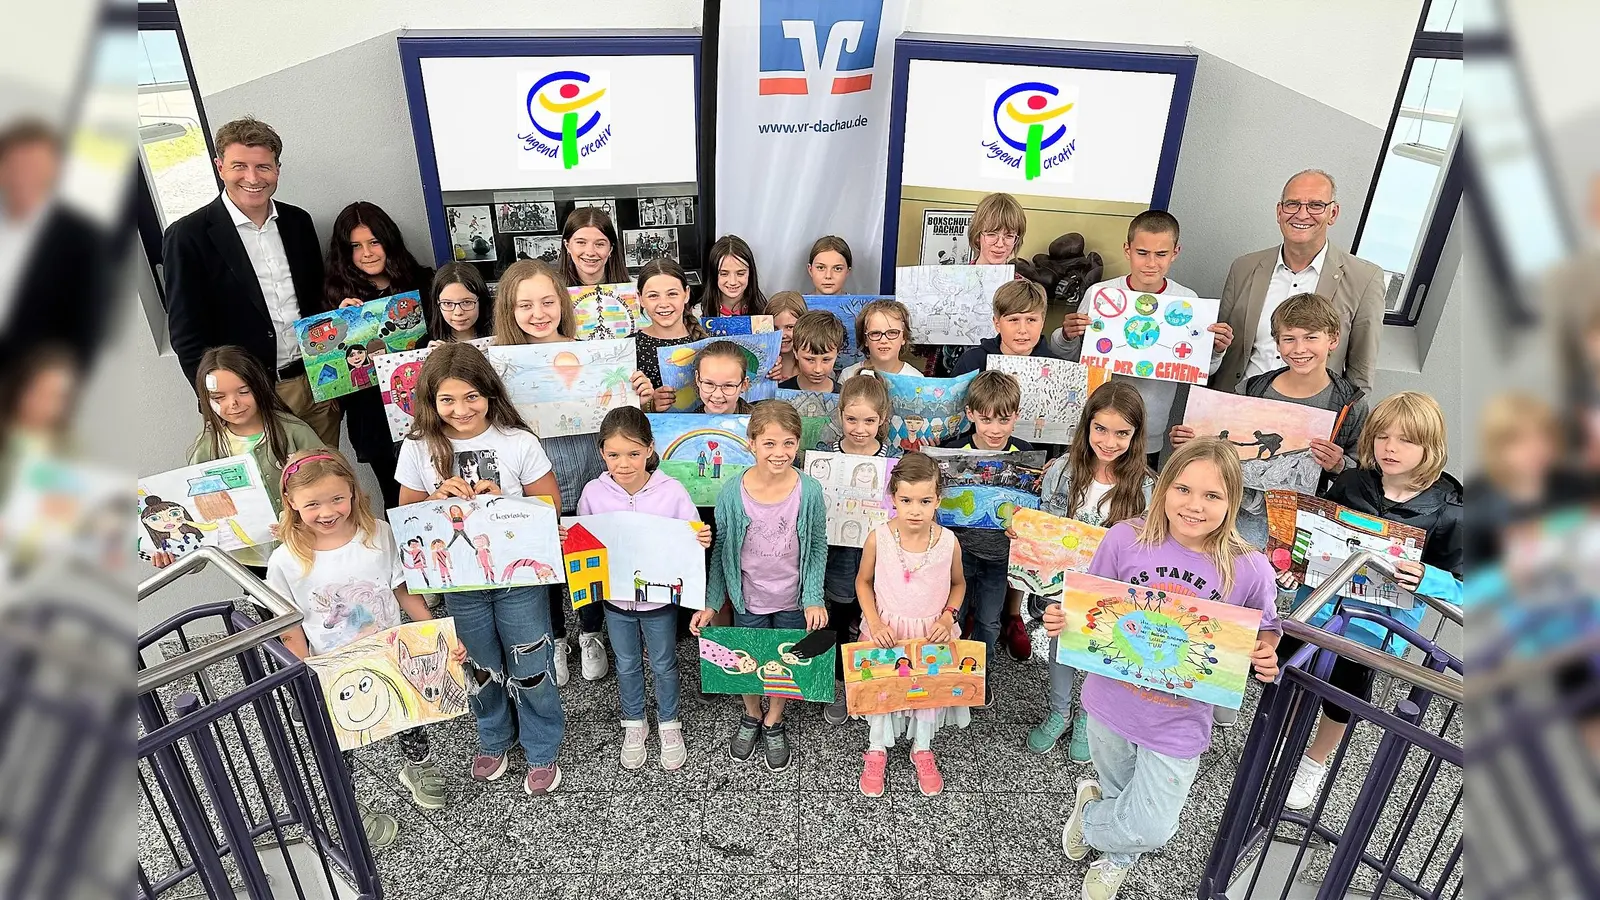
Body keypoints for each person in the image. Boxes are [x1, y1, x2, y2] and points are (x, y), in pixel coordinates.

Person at [1049, 438, 1284, 900]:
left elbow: (1267, 628)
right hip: (1110, 701)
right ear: (1162, 489)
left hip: (1180, 718)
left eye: (1212, 496)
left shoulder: (1250, 568)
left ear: (1233, 501)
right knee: (1120, 790)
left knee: (1154, 826)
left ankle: (1092, 823)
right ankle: (1115, 857)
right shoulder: (1124, 539)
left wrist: (1265, 651)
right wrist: (1062, 617)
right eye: (1183, 489)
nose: (1194, 506)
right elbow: (1088, 606)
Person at [393, 342, 568, 796]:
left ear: (490, 393)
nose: (461, 408)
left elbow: (550, 506)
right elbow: (407, 515)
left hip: (518, 579)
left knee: (530, 657)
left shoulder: (517, 441)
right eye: (447, 399)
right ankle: (494, 734)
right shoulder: (418, 448)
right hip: (459, 582)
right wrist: (435, 502)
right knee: (476, 663)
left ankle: (542, 742)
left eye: (472, 396)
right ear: (430, 402)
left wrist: (504, 502)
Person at [1276, 391, 1463, 811]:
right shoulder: (1353, 481)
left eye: (1406, 441)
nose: (1390, 448)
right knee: (1287, 674)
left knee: (1342, 697)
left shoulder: (1452, 510)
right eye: (1382, 437)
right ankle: (1281, 743)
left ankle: (1314, 762)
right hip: (1318, 606)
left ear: (1431, 448)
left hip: (1374, 629)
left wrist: (1429, 577)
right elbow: (1319, 537)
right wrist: (1295, 566)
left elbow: (1470, 585)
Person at [267, 449, 457, 847]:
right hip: (330, 668)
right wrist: (305, 672)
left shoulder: (378, 533)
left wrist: (435, 633)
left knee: (410, 713)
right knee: (340, 740)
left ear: (353, 491)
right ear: (291, 504)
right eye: (312, 503)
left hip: (390, 652)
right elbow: (289, 627)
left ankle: (418, 767)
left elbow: (400, 587)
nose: (326, 511)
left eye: (337, 497)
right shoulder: (285, 560)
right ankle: (348, 803)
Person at [162, 117, 341, 447]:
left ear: (277, 168)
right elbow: (187, 335)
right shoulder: (187, 236)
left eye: (263, 167)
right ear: (220, 167)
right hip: (251, 396)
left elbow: (317, 300)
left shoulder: (298, 222)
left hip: (315, 386)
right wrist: (217, 402)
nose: (252, 178)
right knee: (271, 494)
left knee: (324, 487)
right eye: (239, 166)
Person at [569, 407, 712, 770]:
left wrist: (703, 537)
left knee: (664, 662)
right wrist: (566, 539)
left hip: (660, 602)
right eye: (614, 454)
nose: (624, 463)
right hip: (616, 601)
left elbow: (691, 536)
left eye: (634, 453)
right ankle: (634, 722)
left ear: (650, 448)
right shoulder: (592, 493)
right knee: (627, 663)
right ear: (601, 452)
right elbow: (585, 541)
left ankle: (669, 722)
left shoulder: (672, 491)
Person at [691, 401, 829, 771]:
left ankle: (774, 719)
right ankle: (752, 713)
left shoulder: (809, 491)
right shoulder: (732, 492)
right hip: (747, 599)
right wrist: (711, 602)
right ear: (751, 443)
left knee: (783, 661)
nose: (779, 452)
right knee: (747, 661)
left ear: (798, 444)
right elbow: (721, 551)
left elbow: (817, 544)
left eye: (788, 443)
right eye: (769, 443)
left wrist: (813, 596)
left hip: (793, 599)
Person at [1170, 292, 1368, 551]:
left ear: (1333, 339)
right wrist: (1190, 443)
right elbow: (1218, 448)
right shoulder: (1253, 389)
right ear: (1276, 344)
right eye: (1289, 339)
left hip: (1302, 529)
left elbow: (1366, 474)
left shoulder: (1350, 404)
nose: (1299, 349)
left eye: (1311, 337)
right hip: (1234, 520)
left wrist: (1339, 465)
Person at [493, 258, 609, 683]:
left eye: (547, 302)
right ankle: (555, 637)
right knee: (543, 558)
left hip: (589, 465)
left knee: (586, 550)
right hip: (535, 475)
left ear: (563, 302)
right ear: (509, 309)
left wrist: (632, 389)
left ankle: (591, 632)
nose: (538, 314)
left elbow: (615, 407)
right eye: (525, 305)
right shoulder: (499, 364)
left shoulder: (591, 354)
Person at [1024, 382, 1154, 759]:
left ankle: (1087, 714)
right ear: (1087, 426)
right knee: (1061, 646)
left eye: (1122, 433)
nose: (1109, 441)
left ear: (1136, 434)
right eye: (1101, 429)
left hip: (1112, 591)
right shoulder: (1063, 470)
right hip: (1062, 585)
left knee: (1100, 653)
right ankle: (1060, 711)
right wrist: (1028, 534)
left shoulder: (1146, 486)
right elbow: (1046, 524)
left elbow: (1146, 550)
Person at [1051, 210, 1226, 463]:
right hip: (1095, 427)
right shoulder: (1100, 294)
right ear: (1127, 250)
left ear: (1175, 253)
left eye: (1161, 254)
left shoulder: (1189, 302)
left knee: (1137, 500)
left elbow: (1202, 370)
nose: (1151, 263)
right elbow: (1070, 358)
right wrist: (1066, 336)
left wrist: (1216, 349)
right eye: (1142, 253)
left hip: (1148, 433)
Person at [855, 452, 968, 796]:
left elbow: (959, 583)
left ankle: (922, 746)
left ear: (938, 499)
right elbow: (863, 581)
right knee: (884, 691)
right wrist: (874, 622)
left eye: (924, 501)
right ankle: (876, 748)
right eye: (906, 500)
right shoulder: (879, 537)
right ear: (893, 498)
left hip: (932, 632)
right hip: (887, 629)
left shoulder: (948, 542)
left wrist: (949, 616)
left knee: (926, 691)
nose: (915, 510)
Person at [155, 346, 325, 572]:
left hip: (307, 549)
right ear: (205, 399)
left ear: (260, 386)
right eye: (218, 397)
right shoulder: (206, 449)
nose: (233, 403)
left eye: (243, 391)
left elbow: (330, 485)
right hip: (249, 564)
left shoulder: (295, 432)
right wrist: (175, 556)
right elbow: (196, 519)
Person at [1215, 169, 1385, 393]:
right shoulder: (1244, 268)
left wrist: (1347, 425)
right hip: (1237, 405)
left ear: (1333, 213)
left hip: (1309, 416)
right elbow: (1219, 348)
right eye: (1293, 204)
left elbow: (1360, 373)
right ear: (1279, 211)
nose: (1302, 214)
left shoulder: (1365, 279)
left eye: (1316, 205)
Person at [323, 201, 434, 511]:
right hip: (372, 417)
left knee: (441, 484)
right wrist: (340, 327)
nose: (367, 253)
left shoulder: (423, 282)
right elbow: (330, 371)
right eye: (355, 246)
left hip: (425, 406)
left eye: (374, 242)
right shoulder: (335, 297)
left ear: (389, 241)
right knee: (397, 499)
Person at [938, 370, 1034, 682]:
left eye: (1004, 420)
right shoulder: (952, 450)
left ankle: (979, 675)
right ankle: (946, 672)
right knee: (951, 613)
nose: (995, 429)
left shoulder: (1026, 456)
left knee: (989, 620)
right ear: (970, 415)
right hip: (958, 554)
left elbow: (1035, 512)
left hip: (999, 556)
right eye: (986, 419)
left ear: (1016, 416)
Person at [817, 374, 901, 725]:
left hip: (879, 559)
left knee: (871, 620)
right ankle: (839, 682)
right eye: (852, 419)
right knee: (837, 617)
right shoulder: (824, 457)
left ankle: (866, 683)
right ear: (839, 416)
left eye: (869, 420)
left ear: (882, 419)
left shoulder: (893, 461)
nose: (860, 428)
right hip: (835, 554)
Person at [0, 119, 110, 375]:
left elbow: (85, 332)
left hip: (28, 386)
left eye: (37, 168)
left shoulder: (83, 241)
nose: (26, 177)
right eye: (18, 166)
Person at [633, 259, 710, 411]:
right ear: (640, 299)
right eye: (653, 296)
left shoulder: (709, 340)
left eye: (672, 294)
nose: (664, 303)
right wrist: (649, 405)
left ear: (686, 294)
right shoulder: (629, 348)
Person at [953, 280, 1058, 376]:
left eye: (1031, 320)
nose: (1022, 330)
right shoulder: (971, 363)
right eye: (1013, 320)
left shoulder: (1057, 368)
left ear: (1042, 323)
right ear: (997, 324)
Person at [842, 298, 920, 379]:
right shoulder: (848, 376)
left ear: (904, 337)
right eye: (875, 333)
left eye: (892, 333)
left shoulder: (917, 379)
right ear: (865, 339)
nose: (883, 340)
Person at [778, 309, 846, 393]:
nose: (818, 369)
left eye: (826, 360)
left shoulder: (846, 397)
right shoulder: (780, 393)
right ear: (795, 352)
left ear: (837, 353)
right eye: (810, 359)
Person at [427, 261, 495, 344]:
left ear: (480, 301)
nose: (458, 312)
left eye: (466, 302)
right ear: (437, 303)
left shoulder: (501, 336)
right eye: (448, 303)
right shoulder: (425, 343)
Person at [559, 206, 628, 287]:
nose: (590, 252)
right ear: (567, 246)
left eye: (599, 244)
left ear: (610, 248)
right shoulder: (551, 291)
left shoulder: (635, 291)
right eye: (581, 242)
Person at [706, 234, 766, 316]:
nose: (732, 281)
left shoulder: (764, 313)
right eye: (724, 274)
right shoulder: (697, 315)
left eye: (740, 273)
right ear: (713, 275)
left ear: (750, 273)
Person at [689, 341, 756, 414]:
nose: (717, 395)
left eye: (728, 385)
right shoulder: (687, 423)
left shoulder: (759, 422)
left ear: (744, 384)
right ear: (697, 379)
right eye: (709, 383)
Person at [969, 192, 1026, 266]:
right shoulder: (955, 276)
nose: (1000, 244)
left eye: (1009, 236)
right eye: (991, 234)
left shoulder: (1019, 278)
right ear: (977, 236)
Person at [765, 291, 809, 383]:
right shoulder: (762, 368)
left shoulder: (816, 367)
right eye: (775, 328)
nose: (782, 335)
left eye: (790, 327)